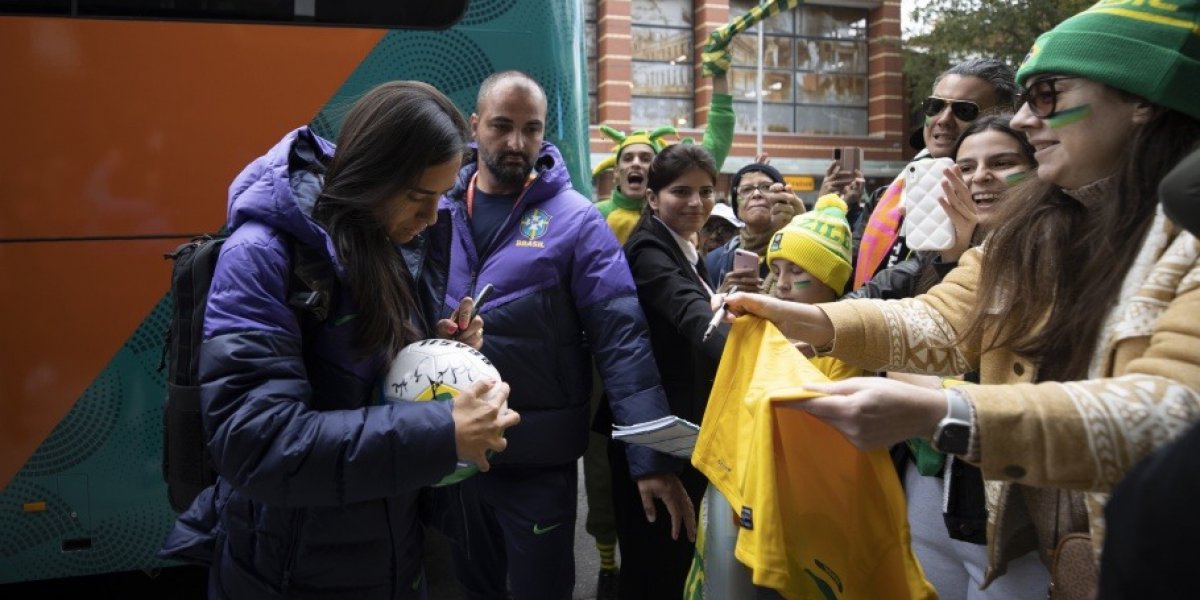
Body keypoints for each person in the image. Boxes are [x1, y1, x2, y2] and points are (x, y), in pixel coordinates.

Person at [713, 1, 1200, 595]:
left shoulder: (1189, 231)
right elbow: (943, 320)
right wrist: (806, 318)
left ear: (1142, 100)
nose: (1023, 119)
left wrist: (945, 415)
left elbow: (1172, 410)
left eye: (1046, 95)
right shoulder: (1035, 229)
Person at [157, 81, 520, 599]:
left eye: (442, 196)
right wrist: (442, 432)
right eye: (419, 197)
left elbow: (363, 382)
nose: (432, 217)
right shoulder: (259, 255)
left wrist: (436, 353)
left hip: (388, 558)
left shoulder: (379, 236)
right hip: (289, 574)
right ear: (372, 175)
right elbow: (257, 443)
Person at [407, 71, 696, 600]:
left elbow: (623, 342)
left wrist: (653, 458)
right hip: (453, 450)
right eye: (502, 126)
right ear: (474, 126)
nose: (517, 142)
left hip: (537, 460)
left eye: (531, 129)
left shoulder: (578, 221)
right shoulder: (435, 207)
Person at [848, 114, 1051, 600]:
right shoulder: (931, 258)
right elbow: (881, 320)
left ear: (1039, 168)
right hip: (929, 487)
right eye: (966, 167)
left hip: (1013, 511)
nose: (980, 177)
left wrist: (925, 388)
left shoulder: (1056, 252)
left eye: (1002, 163)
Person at [583, 69, 733, 598]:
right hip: (654, 438)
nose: (696, 203)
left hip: (678, 431)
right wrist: (749, 351)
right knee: (656, 570)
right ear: (652, 197)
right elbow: (691, 314)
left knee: (673, 563)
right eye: (680, 192)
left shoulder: (682, 245)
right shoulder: (649, 250)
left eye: (705, 191)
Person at [850, 58, 1017, 291]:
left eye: (964, 110)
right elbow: (849, 268)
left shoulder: (995, 205)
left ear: (1005, 116)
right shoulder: (885, 196)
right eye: (935, 106)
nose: (944, 119)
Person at [765, 195, 863, 382]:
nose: (781, 284)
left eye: (796, 271)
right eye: (776, 273)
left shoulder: (846, 354)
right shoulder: (763, 332)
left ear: (830, 280)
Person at [704, 161, 805, 292]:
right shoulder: (714, 261)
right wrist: (721, 296)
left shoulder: (802, 250)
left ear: (785, 200)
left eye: (766, 187)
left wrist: (803, 228)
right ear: (737, 209)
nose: (756, 194)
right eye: (746, 190)